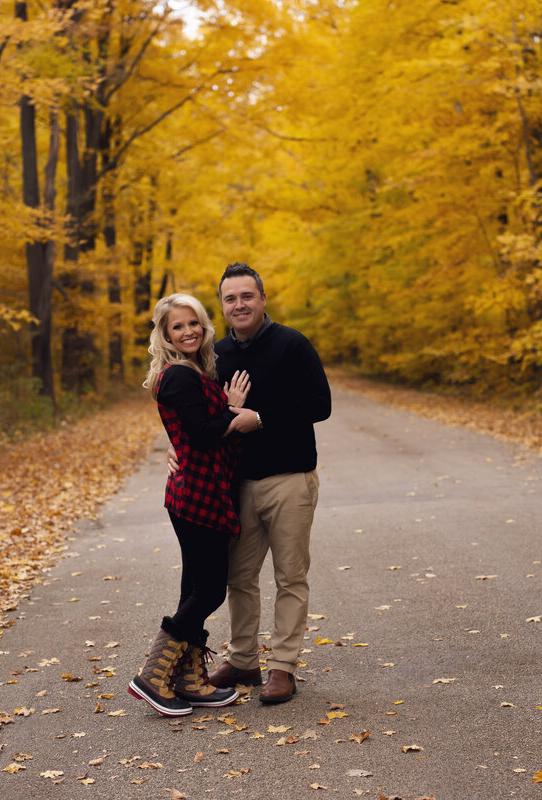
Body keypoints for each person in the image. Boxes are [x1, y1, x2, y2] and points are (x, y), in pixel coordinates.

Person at [128, 293, 260, 717]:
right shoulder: (179, 376)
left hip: (202, 490)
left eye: (193, 323)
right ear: (165, 335)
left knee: (195, 586)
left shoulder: (192, 372)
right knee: (209, 589)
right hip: (196, 494)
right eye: (178, 327)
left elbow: (192, 430)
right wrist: (234, 410)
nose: (188, 331)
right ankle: (153, 674)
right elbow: (203, 433)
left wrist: (222, 407)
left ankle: (187, 680)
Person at [205, 262, 332, 704]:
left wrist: (259, 419)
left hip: (290, 478)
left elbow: (320, 405)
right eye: (230, 298)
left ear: (262, 299)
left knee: (290, 577)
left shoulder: (293, 345)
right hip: (237, 484)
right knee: (239, 577)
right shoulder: (215, 354)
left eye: (247, 296)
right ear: (222, 306)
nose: (239, 304)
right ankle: (243, 661)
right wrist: (175, 446)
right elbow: (203, 416)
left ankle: (282, 667)